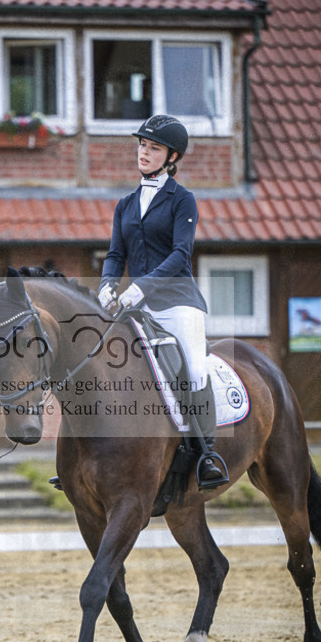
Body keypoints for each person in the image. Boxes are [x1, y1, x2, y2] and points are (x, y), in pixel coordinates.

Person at [98, 114, 228, 490]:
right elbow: (114, 253)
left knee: (193, 368)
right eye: (141, 145)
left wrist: (142, 288)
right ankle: (90, 453)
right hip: (135, 305)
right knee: (105, 363)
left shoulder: (181, 199)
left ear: (171, 157)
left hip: (177, 303)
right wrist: (108, 285)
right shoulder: (125, 203)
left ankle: (207, 455)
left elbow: (180, 255)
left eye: (153, 148)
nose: (144, 152)